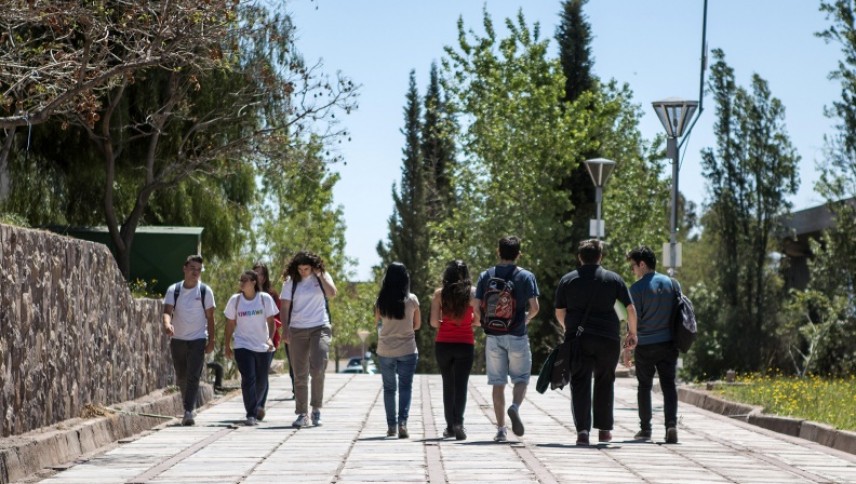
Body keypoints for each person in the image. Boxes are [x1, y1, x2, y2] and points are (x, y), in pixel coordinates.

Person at [554, 239, 637, 445]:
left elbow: (559, 311)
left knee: (580, 382)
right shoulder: (613, 279)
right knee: (605, 381)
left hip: (579, 339)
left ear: (580, 257)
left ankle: (583, 432)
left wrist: (570, 328)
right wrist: (631, 333)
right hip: (608, 339)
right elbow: (630, 309)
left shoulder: (568, 280)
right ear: (600, 257)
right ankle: (604, 431)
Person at [473, 236, 540, 442]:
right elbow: (535, 307)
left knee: (497, 383)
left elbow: (475, 307)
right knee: (521, 378)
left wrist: (483, 321)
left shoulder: (486, 275)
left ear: (498, 251)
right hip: (517, 334)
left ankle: (501, 429)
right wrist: (526, 320)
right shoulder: (526, 276)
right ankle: (515, 406)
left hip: (493, 335)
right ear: (518, 253)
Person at [626, 246, 680, 444]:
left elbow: (633, 321)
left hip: (645, 345)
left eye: (633, 266)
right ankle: (671, 425)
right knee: (669, 386)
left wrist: (628, 346)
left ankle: (646, 429)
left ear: (642, 264)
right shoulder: (672, 284)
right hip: (668, 343)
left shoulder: (636, 289)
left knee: (644, 387)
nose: (633, 270)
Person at [281, 251, 337, 428]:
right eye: (300, 269)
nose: (303, 272)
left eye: (307, 268)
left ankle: (316, 410)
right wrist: (285, 330)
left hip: (320, 326)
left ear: (313, 267)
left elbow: (332, 293)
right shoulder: (291, 282)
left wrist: (320, 276)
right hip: (297, 329)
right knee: (300, 373)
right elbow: (284, 306)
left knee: (319, 367)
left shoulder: (322, 277)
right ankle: (302, 414)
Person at [162, 255, 216, 426]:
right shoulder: (174, 290)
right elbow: (167, 311)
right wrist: (167, 324)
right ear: (184, 268)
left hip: (198, 339)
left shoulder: (205, 291)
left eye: (199, 270)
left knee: (193, 375)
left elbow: (211, 318)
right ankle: (188, 406)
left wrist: (211, 341)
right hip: (178, 339)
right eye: (192, 268)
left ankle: (188, 411)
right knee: (182, 375)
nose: (195, 272)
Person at [224, 270, 279, 426]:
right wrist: (227, 344)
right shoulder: (235, 301)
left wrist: (270, 338)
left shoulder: (264, 299)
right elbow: (229, 325)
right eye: (240, 280)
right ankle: (251, 413)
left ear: (254, 282)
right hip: (242, 345)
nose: (242, 283)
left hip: (263, 346)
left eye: (245, 280)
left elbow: (271, 321)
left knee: (262, 381)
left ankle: (255, 407)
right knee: (248, 379)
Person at [430, 260, 477, 441]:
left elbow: (434, 322)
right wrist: (468, 321)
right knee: (461, 385)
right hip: (465, 343)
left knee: (448, 385)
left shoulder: (439, 294)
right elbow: (479, 321)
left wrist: (445, 323)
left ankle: (449, 426)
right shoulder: (472, 294)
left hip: (443, 343)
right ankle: (459, 423)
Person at [375, 262, 421, 439]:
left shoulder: (381, 301)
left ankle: (391, 426)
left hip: (385, 349)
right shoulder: (412, 300)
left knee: (388, 389)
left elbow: (376, 323)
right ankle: (403, 423)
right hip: (407, 349)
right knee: (405, 387)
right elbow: (417, 325)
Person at [253, 262, 288, 419]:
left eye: (261, 274)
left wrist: (270, 337)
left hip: (268, 340)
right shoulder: (243, 293)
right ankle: (252, 403)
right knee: (250, 374)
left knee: (262, 373)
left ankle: (260, 405)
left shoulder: (272, 295)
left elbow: (277, 318)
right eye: (255, 273)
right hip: (249, 340)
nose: (258, 277)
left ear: (265, 276)